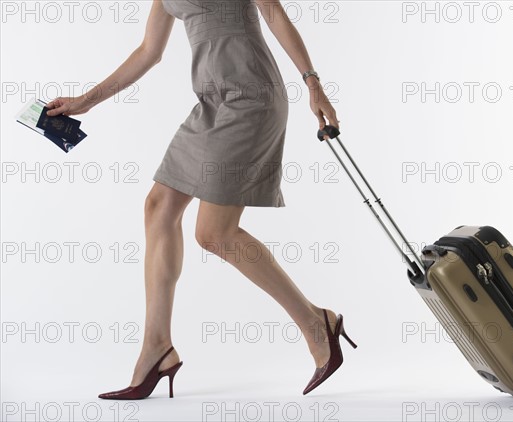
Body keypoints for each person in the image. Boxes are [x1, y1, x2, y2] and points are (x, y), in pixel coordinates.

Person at [46, 0, 354, 400]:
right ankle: (157, 348)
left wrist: (312, 82)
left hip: (253, 101)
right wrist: (87, 100)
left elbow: (273, 12)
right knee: (158, 208)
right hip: (210, 105)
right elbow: (148, 52)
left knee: (214, 233)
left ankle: (317, 324)